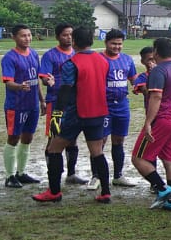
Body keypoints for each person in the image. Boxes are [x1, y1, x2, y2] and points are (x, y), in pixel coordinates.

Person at [31, 26, 111, 203]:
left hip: (77, 114)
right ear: (91, 41)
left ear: (74, 41)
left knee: (54, 149)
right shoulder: (103, 60)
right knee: (97, 152)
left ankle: (54, 192)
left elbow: (66, 90)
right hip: (98, 112)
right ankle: (105, 192)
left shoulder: (71, 63)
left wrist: (57, 114)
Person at [130, 37, 171, 211]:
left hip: (162, 120)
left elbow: (156, 97)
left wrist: (148, 122)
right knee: (170, 161)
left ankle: (163, 189)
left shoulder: (158, 71)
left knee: (138, 158)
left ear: (155, 52)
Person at [39, 22, 84, 185]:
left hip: (74, 103)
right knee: (54, 138)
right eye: (65, 35)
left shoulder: (77, 54)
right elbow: (44, 77)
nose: (69, 37)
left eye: (71, 34)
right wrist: (47, 81)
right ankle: (53, 175)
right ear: (58, 37)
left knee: (72, 138)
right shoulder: (50, 55)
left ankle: (71, 174)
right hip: (56, 102)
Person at [0, 24, 42, 188]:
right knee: (13, 138)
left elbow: (36, 80)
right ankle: (9, 176)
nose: (27, 38)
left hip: (32, 104)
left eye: (29, 35)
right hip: (16, 105)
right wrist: (19, 86)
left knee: (28, 138)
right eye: (23, 35)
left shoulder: (34, 54)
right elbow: (8, 82)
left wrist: (42, 100)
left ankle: (21, 172)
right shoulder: (9, 58)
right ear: (14, 37)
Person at [101, 29, 140, 187]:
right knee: (100, 141)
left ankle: (118, 175)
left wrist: (141, 85)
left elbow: (134, 79)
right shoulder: (99, 59)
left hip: (122, 105)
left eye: (119, 44)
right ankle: (96, 176)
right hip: (104, 105)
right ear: (106, 43)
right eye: (113, 44)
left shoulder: (127, 59)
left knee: (119, 140)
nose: (117, 47)